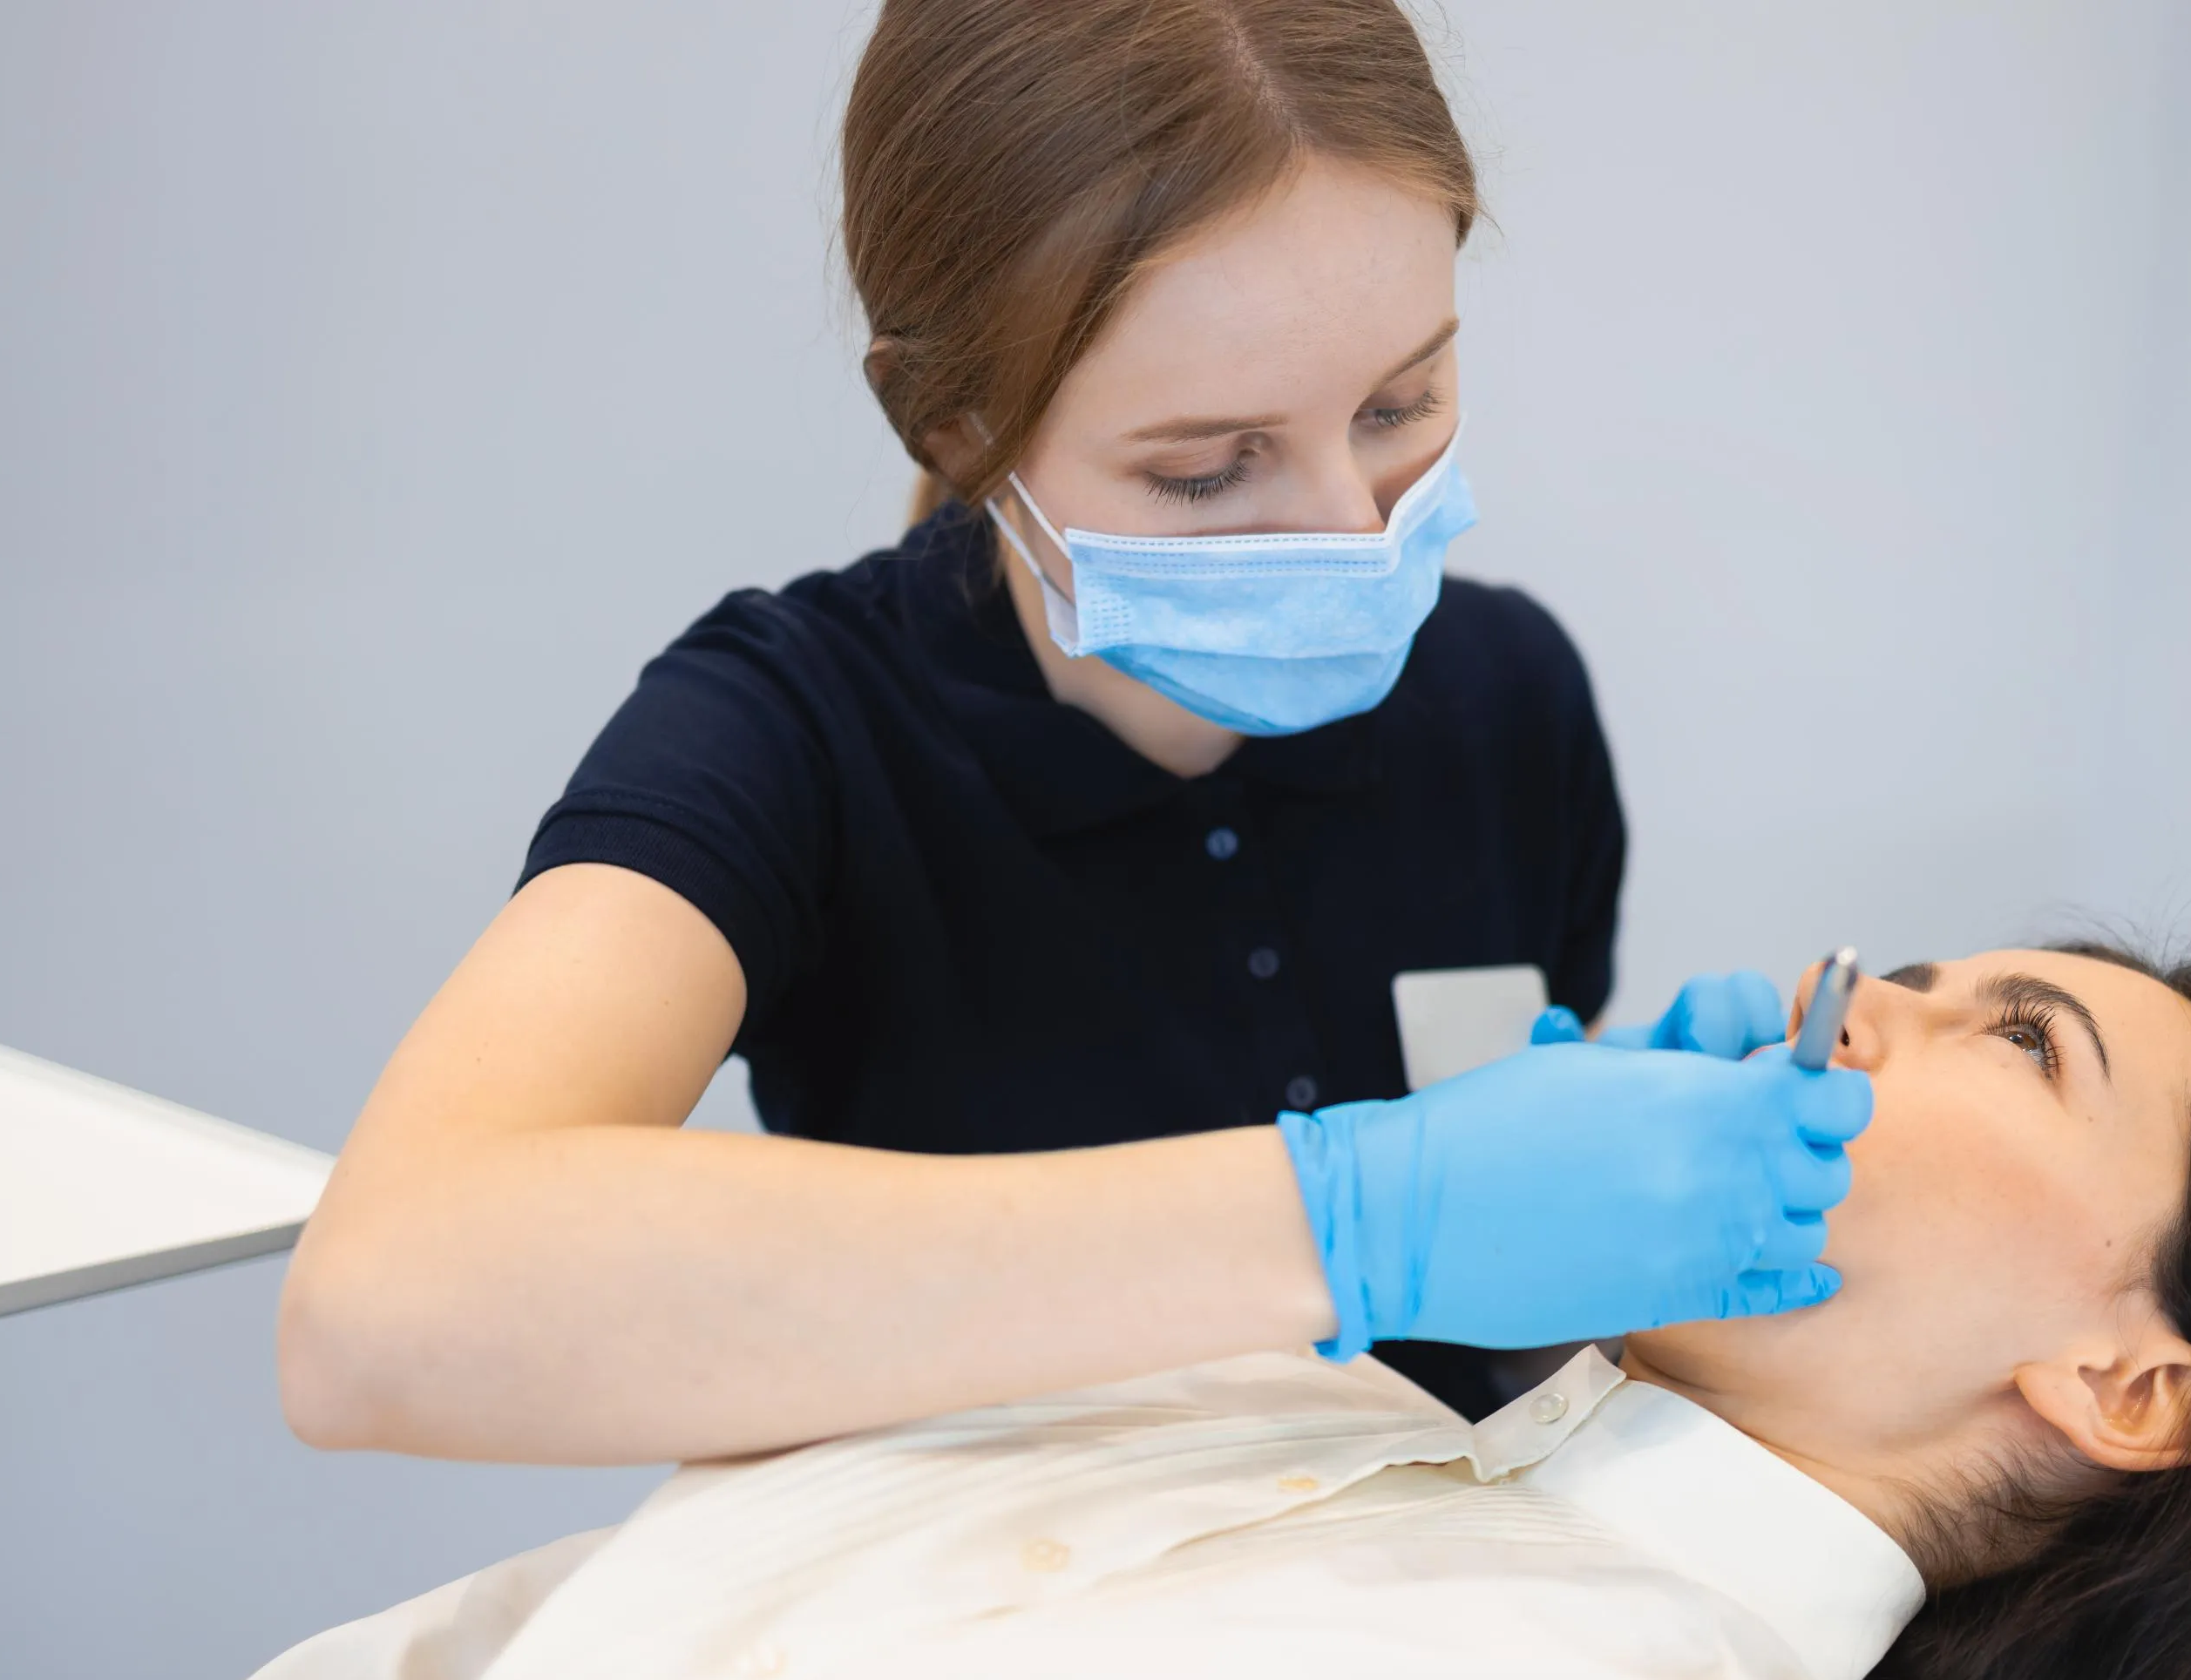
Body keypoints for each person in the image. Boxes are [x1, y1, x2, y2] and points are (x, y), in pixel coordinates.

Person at [0, 945, 2191, 1680]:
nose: (1870, 998)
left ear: (2132, 1381)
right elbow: (417, 1499)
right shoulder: (1249, 1369)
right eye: (1915, 966)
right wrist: (1334, 1231)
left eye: (2007, 1038)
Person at [276, 0, 1855, 1460]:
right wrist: (1354, 1222)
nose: (1351, 535)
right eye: (1207, 470)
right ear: (955, 423)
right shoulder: (793, 734)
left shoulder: (1508, 700)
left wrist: (1626, 1206)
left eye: (1399, 409)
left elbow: (1484, 1383)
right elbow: (383, 1308)